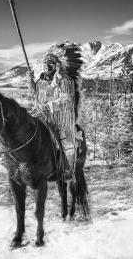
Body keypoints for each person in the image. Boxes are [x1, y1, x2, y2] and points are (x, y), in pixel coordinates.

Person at [26, 42, 85, 179]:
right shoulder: (41, 80)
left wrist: (47, 106)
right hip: (42, 116)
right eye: (46, 63)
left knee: (65, 139)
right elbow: (35, 94)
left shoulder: (65, 80)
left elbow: (66, 99)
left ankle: (68, 168)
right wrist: (30, 81)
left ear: (57, 65)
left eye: (51, 63)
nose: (47, 66)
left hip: (61, 117)